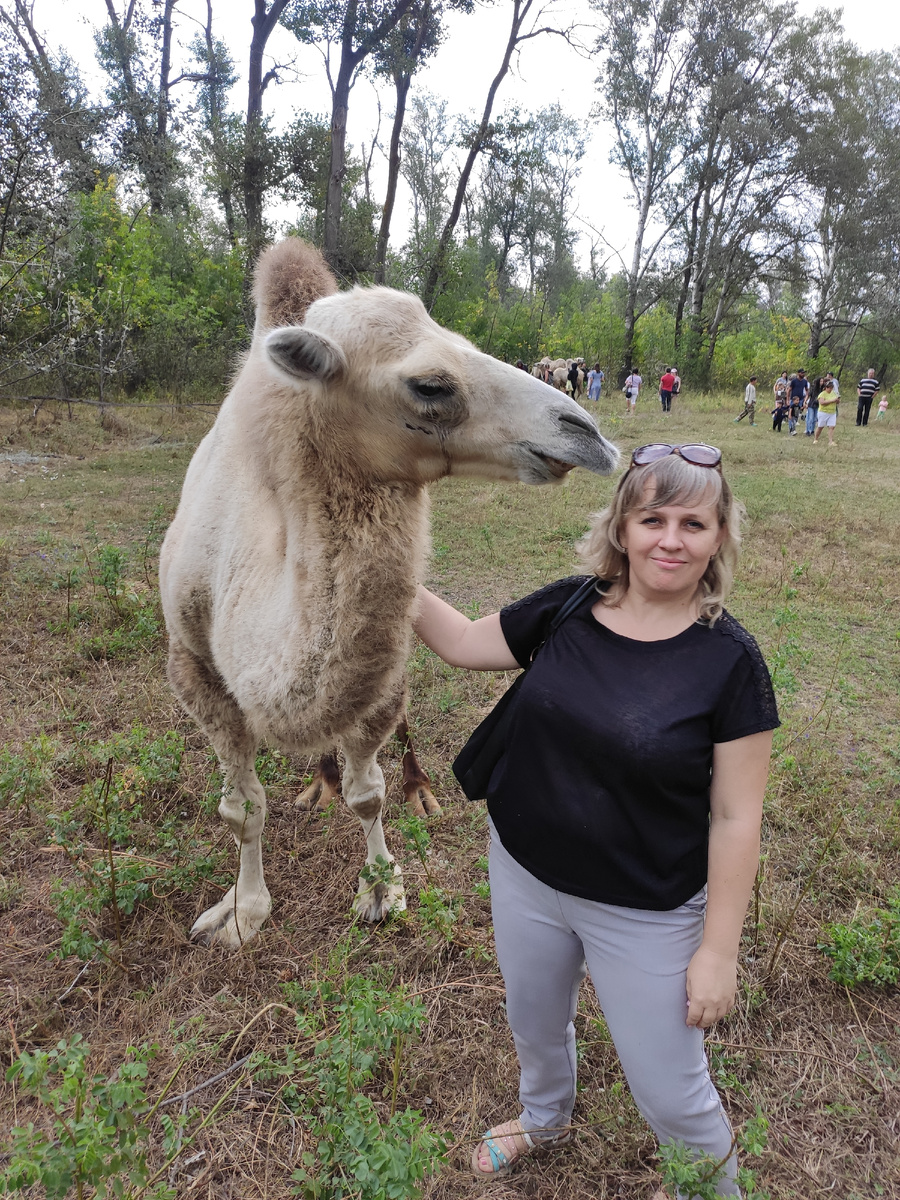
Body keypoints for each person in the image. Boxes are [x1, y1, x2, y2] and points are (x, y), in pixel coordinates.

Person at [413, 445, 778, 1197]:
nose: (670, 539)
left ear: (718, 537)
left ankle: (706, 1188)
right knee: (536, 1024)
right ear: (622, 527)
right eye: (652, 518)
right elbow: (457, 643)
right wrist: (384, 571)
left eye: (692, 522)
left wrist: (718, 953)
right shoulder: (572, 606)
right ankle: (544, 1117)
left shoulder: (730, 664)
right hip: (524, 873)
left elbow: (738, 818)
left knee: (673, 1093)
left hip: (645, 910)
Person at [814, 380, 839, 445]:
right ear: (826, 387)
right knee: (820, 427)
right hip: (823, 412)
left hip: (832, 412)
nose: (830, 389)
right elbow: (822, 402)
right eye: (829, 387)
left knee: (832, 427)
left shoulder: (834, 393)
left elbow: (837, 401)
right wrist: (832, 400)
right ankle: (816, 439)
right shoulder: (822, 394)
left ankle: (830, 441)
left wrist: (837, 401)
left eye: (831, 387)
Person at [787, 370, 809, 436]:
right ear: (798, 373)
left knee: (796, 415)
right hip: (793, 399)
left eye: (804, 373)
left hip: (801, 400)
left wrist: (805, 399)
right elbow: (789, 390)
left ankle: (793, 429)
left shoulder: (805, 381)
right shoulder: (794, 381)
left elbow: (807, 390)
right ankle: (791, 430)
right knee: (791, 415)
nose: (803, 374)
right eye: (802, 373)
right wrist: (787, 400)